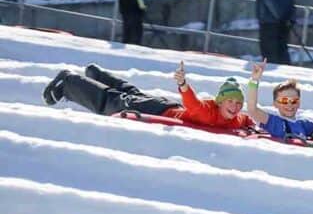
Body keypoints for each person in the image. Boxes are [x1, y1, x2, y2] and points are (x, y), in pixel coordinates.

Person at [42, 62, 254, 130]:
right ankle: (68, 82)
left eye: (238, 103)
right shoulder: (208, 113)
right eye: (230, 102)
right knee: (112, 103)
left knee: (132, 94)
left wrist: (250, 123)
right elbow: (194, 105)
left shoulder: (234, 118)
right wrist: (183, 85)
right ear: (220, 102)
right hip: (156, 110)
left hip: (167, 107)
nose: (235, 107)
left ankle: (98, 76)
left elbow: (245, 119)